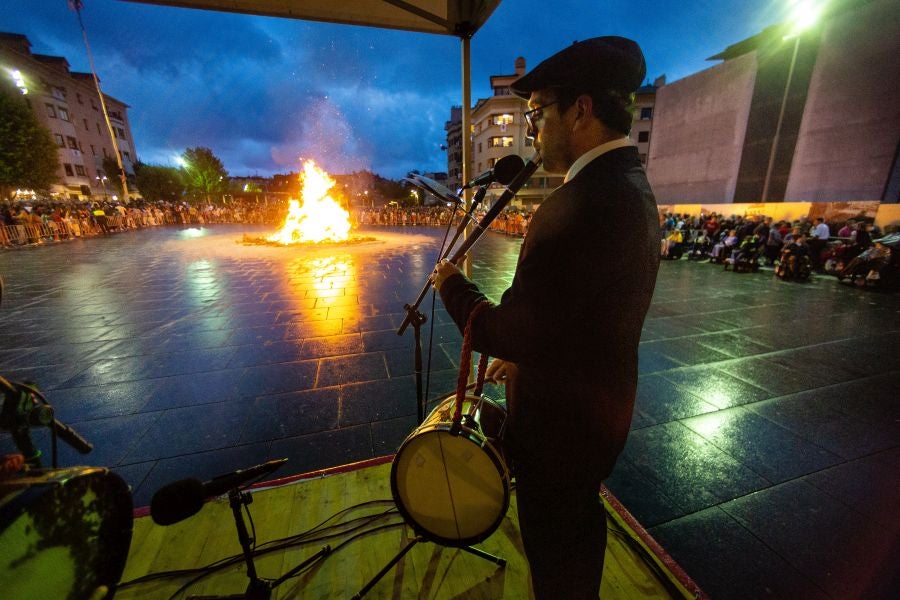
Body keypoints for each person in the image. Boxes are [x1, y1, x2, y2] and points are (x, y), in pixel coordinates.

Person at [432, 36, 660, 600]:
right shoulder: (629, 186)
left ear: (580, 110)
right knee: (577, 530)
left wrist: (452, 285)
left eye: (537, 114)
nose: (532, 131)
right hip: (596, 414)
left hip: (561, 430)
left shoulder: (580, 203)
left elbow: (506, 328)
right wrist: (518, 355)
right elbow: (576, 316)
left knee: (556, 549)